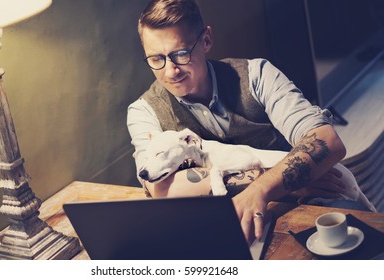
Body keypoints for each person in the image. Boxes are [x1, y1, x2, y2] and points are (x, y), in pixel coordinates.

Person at [127, 0, 363, 243]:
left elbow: (327, 142)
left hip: (302, 203)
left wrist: (264, 191)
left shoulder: (257, 75)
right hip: (220, 218)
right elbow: (160, 189)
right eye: (156, 59)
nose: (170, 71)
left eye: (181, 54)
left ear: (206, 40)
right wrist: (277, 182)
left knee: (354, 230)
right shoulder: (144, 111)